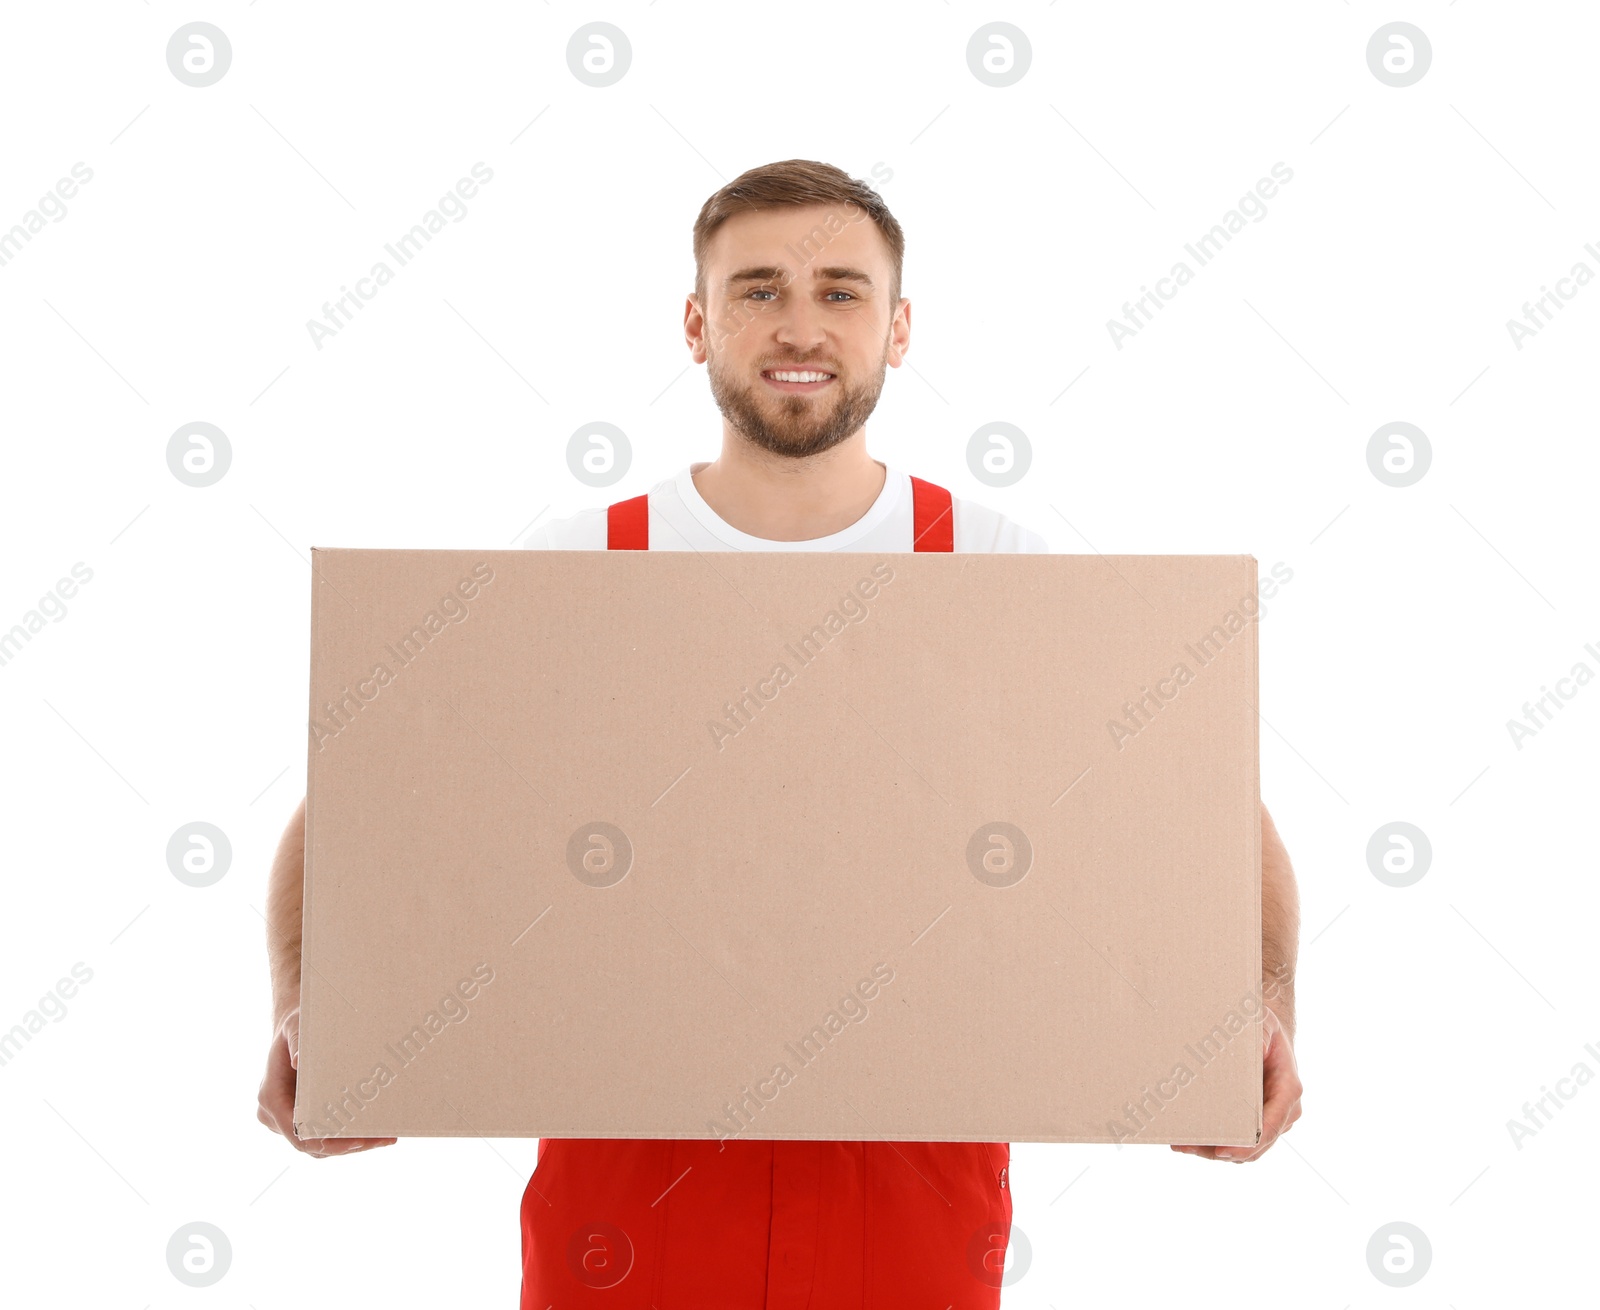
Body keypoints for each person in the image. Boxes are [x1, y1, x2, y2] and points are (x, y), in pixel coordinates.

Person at [257, 159, 1304, 1308]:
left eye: (841, 291)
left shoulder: (992, 563)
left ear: (898, 329)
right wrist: (315, 1019)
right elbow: (363, 796)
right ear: (697, 322)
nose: (798, 324)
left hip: (914, 1163)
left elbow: (1197, 799)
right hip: (630, 1167)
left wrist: (1256, 1016)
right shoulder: (584, 561)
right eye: (757, 289)